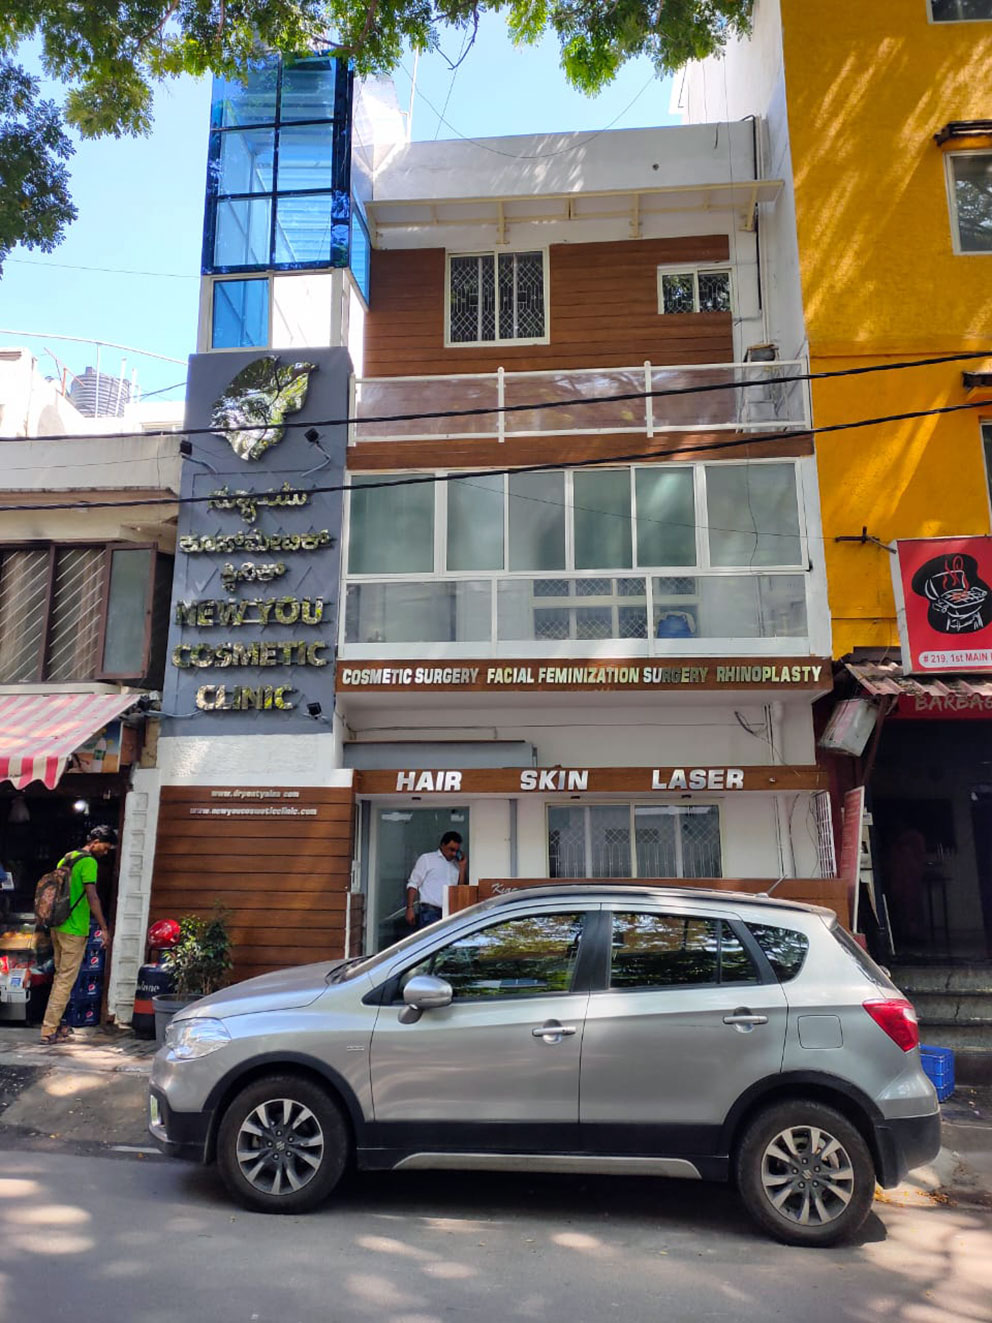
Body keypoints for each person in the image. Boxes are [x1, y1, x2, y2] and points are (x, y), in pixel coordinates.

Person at [39, 825, 116, 1045]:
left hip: (58, 926)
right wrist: (104, 928)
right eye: (105, 847)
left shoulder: (67, 858)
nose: (106, 852)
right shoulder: (89, 862)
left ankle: (59, 1025)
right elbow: (92, 897)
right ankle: (48, 1030)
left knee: (60, 978)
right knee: (65, 981)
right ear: (95, 841)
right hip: (74, 929)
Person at [405, 832, 467, 928]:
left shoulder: (456, 865)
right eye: (451, 849)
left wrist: (462, 868)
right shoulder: (427, 859)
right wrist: (410, 908)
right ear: (442, 845)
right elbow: (413, 884)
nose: (453, 853)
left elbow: (459, 889)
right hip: (430, 912)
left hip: (450, 914)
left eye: (456, 850)